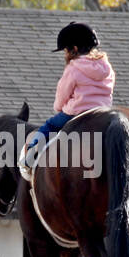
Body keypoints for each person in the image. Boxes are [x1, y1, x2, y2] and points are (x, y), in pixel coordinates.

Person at [18, 21, 115, 181]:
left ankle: (29, 159)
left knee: (49, 126)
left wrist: (59, 108)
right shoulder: (107, 67)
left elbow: (62, 95)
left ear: (74, 49)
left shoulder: (73, 68)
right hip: (103, 113)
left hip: (76, 114)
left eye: (66, 50)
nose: (65, 54)